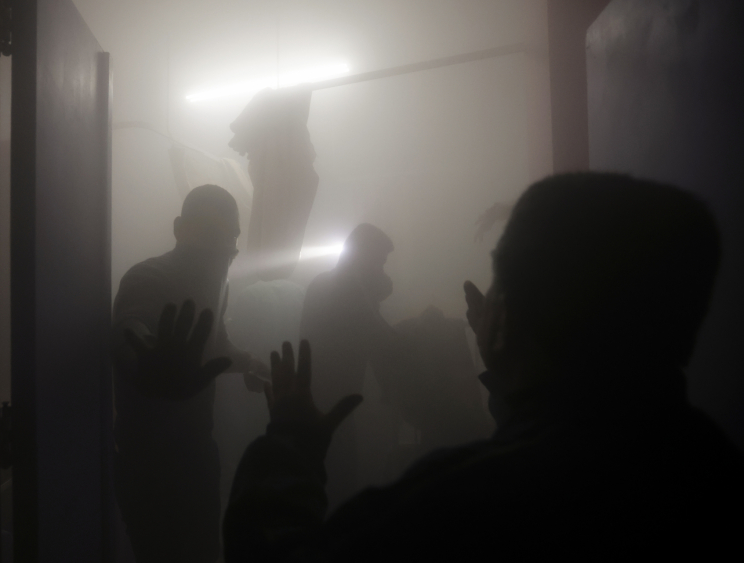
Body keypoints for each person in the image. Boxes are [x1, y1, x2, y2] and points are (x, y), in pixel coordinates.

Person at [223, 173, 744, 561]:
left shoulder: (463, 500)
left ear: (504, 321)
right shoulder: (708, 462)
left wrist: (288, 445)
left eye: (497, 283)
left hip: (324, 418)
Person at [111, 184, 268, 563]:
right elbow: (130, 328)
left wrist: (249, 363)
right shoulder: (149, 276)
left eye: (231, 239)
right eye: (212, 234)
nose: (224, 249)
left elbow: (216, 344)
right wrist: (147, 362)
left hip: (196, 455)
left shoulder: (214, 285)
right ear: (179, 229)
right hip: (151, 465)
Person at [298, 223, 399, 507]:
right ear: (363, 256)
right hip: (332, 407)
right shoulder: (349, 288)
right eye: (379, 261)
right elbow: (384, 340)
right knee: (339, 489)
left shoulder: (324, 282)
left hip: (318, 402)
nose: (381, 269)